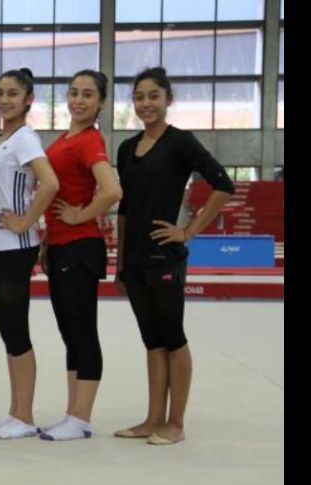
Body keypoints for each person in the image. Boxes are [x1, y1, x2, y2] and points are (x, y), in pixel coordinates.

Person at [113, 67, 235, 445]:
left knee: (172, 336)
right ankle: (153, 418)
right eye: (139, 97)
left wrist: (187, 231)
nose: (145, 104)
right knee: (152, 339)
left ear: (169, 99)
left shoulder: (181, 142)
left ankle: (176, 423)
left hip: (165, 257)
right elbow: (125, 210)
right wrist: (120, 262)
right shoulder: (127, 148)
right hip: (135, 259)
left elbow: (223, 185)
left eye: (154, 96)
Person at [0, 68, 59, 440]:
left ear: (28, 99)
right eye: (0, 93)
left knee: (17, 330)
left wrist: (25, 221)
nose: (4, 100)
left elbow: (49, 182)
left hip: (16, 248)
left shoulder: (24, 138)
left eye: (13, 94)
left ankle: (25, 417)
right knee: (9, 331)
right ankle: (15, 412)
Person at [37, 69, 122, 441]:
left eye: (88, 94)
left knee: (82, 331)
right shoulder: (65, 138)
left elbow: (112, 190)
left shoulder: (89, 141)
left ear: (100, 102)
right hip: (60, 245)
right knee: (70, 332)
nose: (78, 100)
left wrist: (79, 215)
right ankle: (72, 413)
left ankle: (82, 418)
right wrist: (48, 239)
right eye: (73, 92)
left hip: (80, 246)